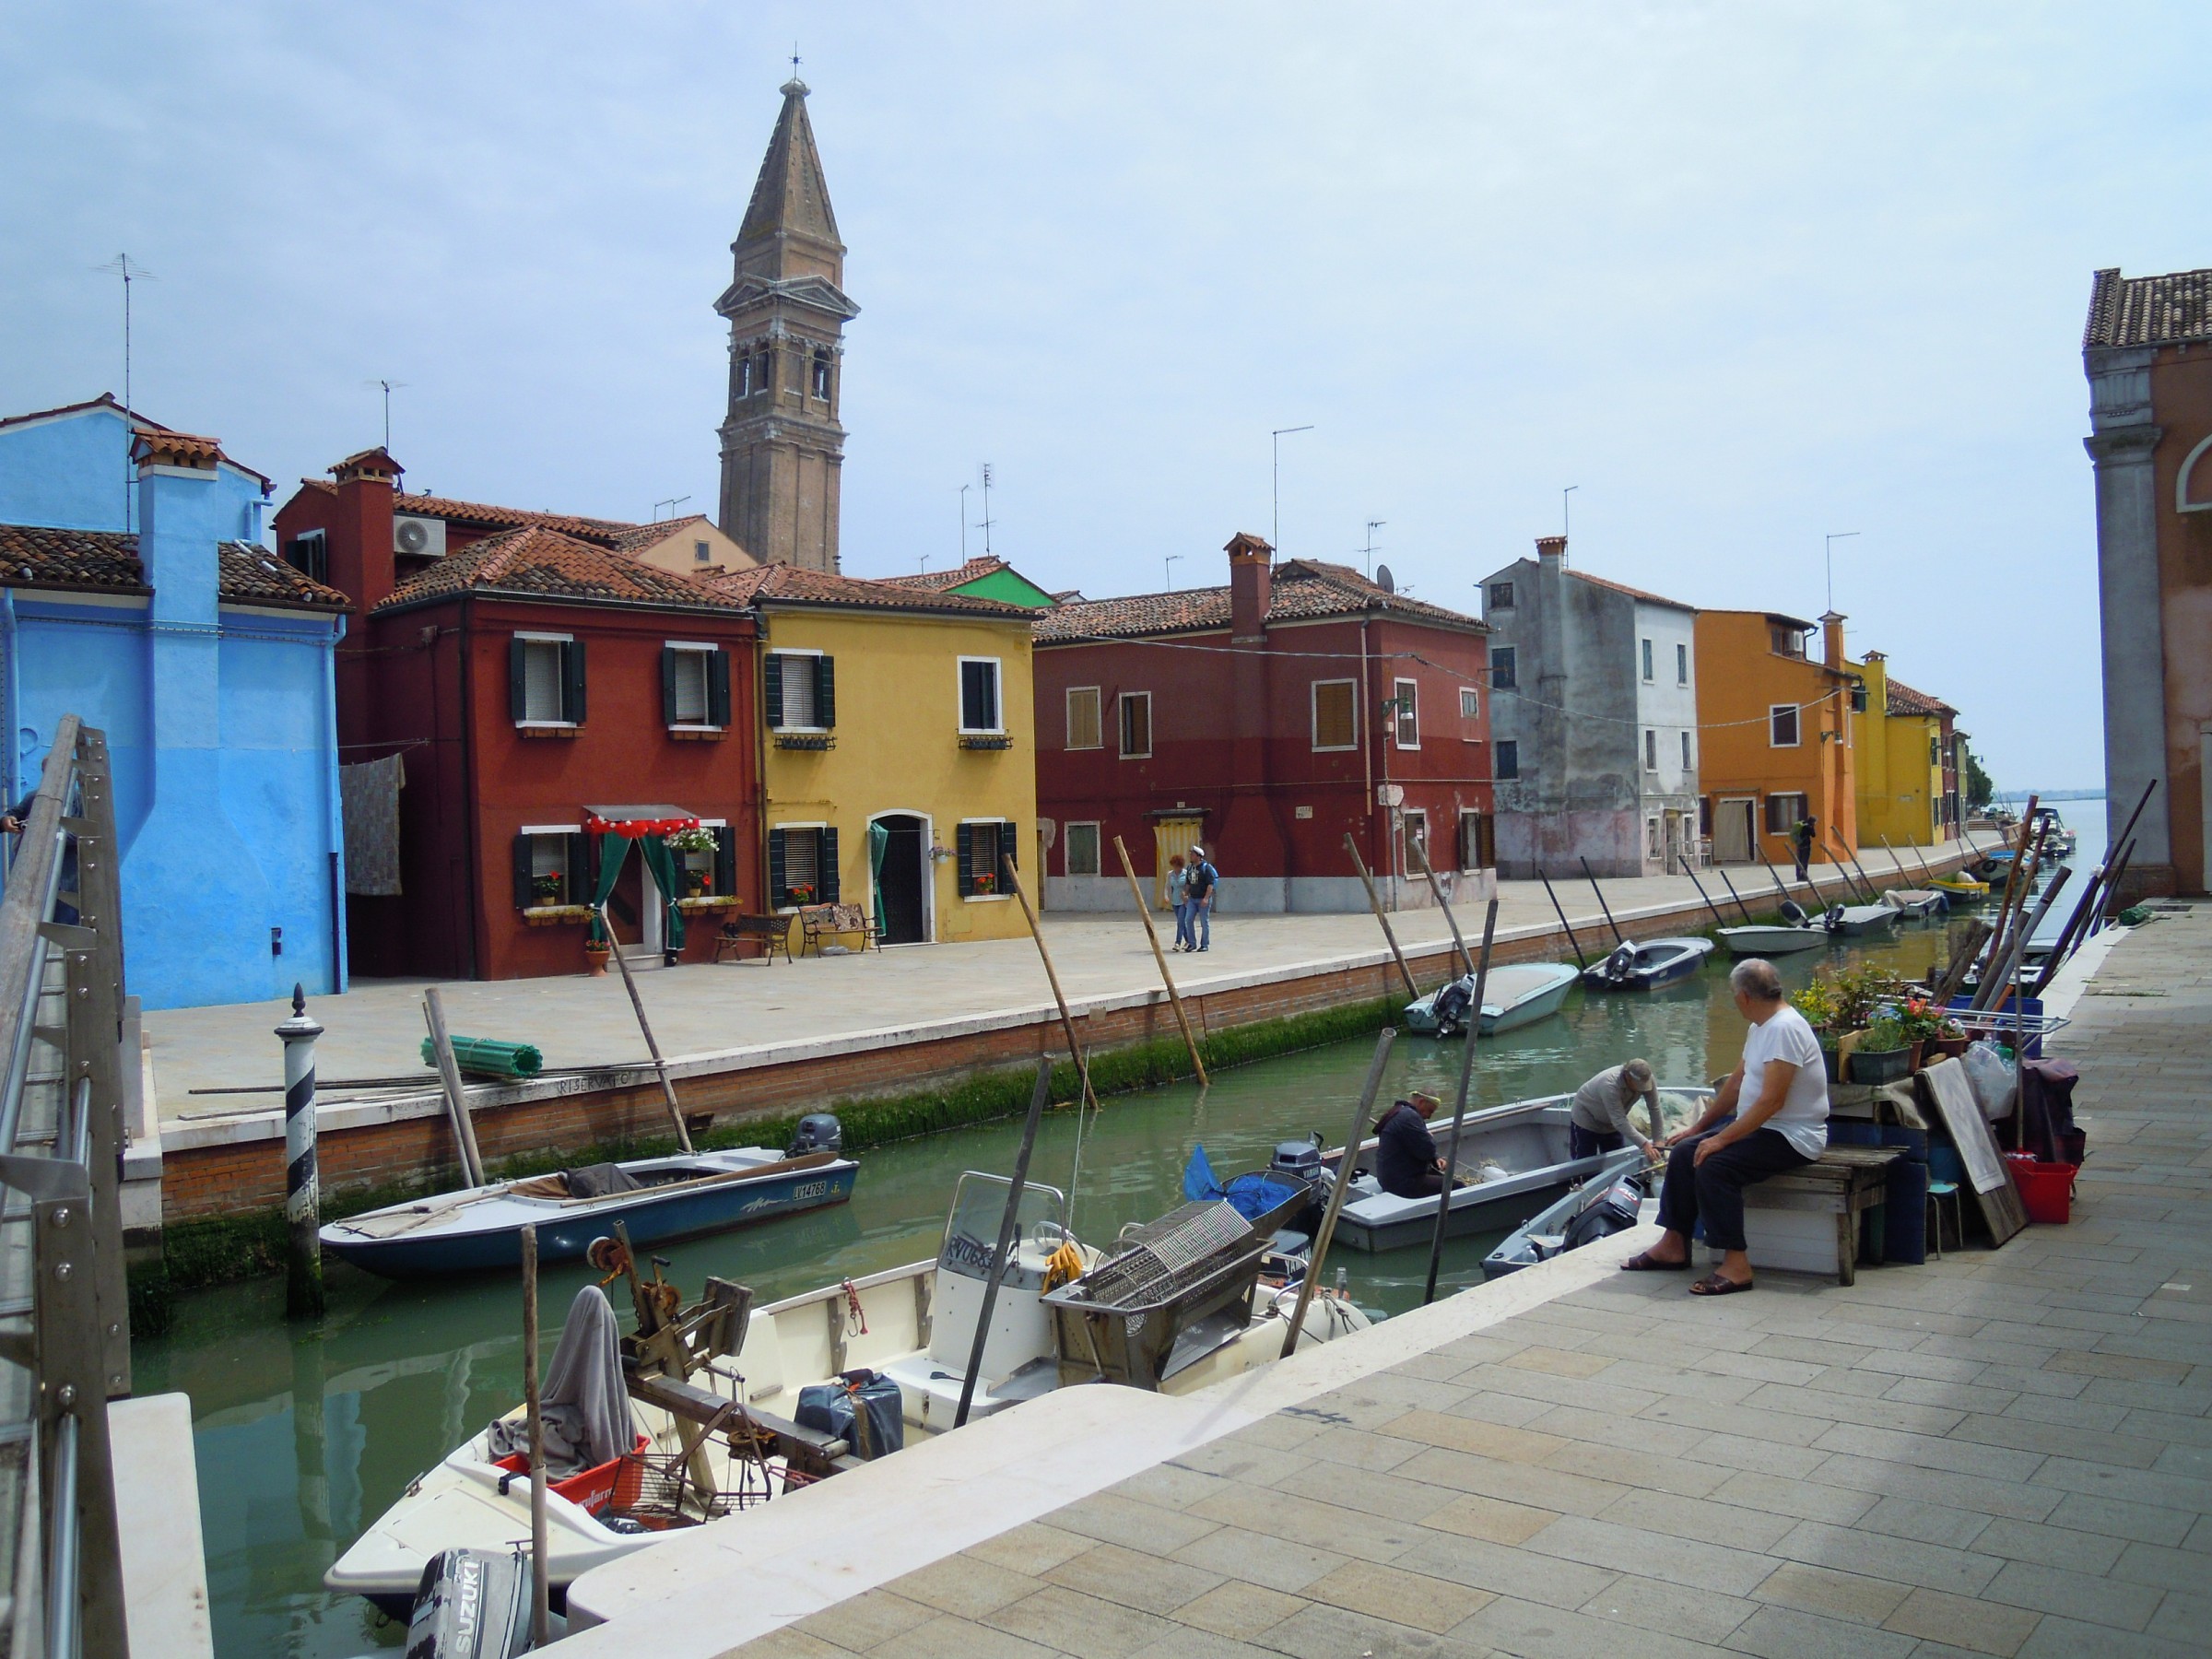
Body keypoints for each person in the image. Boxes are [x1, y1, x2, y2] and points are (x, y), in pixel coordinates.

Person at [1623, 957, 1827, 1295]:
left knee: (1715, 1166)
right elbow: (1737, 1082)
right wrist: (1699, 1128)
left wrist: (1720, 1140)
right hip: (1765, 1128)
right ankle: (1674, 1243)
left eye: (1734, 994)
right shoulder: (1761, 1026)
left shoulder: (1784, 1028)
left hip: (1793, 1135)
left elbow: (1772, 1101)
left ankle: (1736, 1265)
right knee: (1687, 1150)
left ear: (1744, 996)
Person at [1570, 1059, 1663, 1162]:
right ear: (1628, 1077)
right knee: (1584, 1162)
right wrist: (1644, 1144)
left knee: (1616, 1162)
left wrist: (1658, 1140)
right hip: (1586, 1119)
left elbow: (1654, 1109)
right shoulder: (1609, 1084)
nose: (1641, 1089)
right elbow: (1619, 1120)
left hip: (1611, 1124)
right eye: (1638, 1085)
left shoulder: (1647, 1079)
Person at [1373, 1089, 1448, 1198]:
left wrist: (1436, 1158)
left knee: (1442, 1177)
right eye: (1430, 1111)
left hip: (1389, 1178)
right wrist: (1430, 1138)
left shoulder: (1399, 1111)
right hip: (1402, 1183)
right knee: (1457, 1186)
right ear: (1421, 1102)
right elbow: (1426, 1152)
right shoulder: (1410, 1118)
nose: (1429, 1117)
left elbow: (1419, 1146)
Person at [1184, 843, 1218, 952]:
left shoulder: (1206, 868)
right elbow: (1188, 883)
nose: (1191, 856)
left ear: (1198, 856)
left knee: (1204, 922)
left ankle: (1204, 944)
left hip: (1203, 899)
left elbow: (1210, 885)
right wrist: (1185, 894)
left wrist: (1206, 898)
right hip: (1192, 899)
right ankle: (1192, 943)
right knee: (1188, 920)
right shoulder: (1189, 868)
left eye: (1192, 854)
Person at [1166, 853, 1194, 951]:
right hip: (1175, 901)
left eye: (1176, 866)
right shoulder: (1170, 874)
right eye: (1173, 866)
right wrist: (1166, 897)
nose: (1175, 868)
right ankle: (1188, 940)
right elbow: (1168, 886)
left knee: (1180, 922)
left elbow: (1190, 886)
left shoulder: (1186, 873)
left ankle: (1177, 942)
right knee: (1181, 922)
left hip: (1184, 901)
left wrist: (1187, 895)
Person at [1793, 815, 1816, 882]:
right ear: (1813, 821)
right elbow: (1814, 835)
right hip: (1806, 847)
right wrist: (1813, 827)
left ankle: (1798, 876)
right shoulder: (1809, 827)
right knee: (1804, 862)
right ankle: (1804, 876)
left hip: (1799, 846)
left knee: (1799, 861)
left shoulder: (1802, 826)